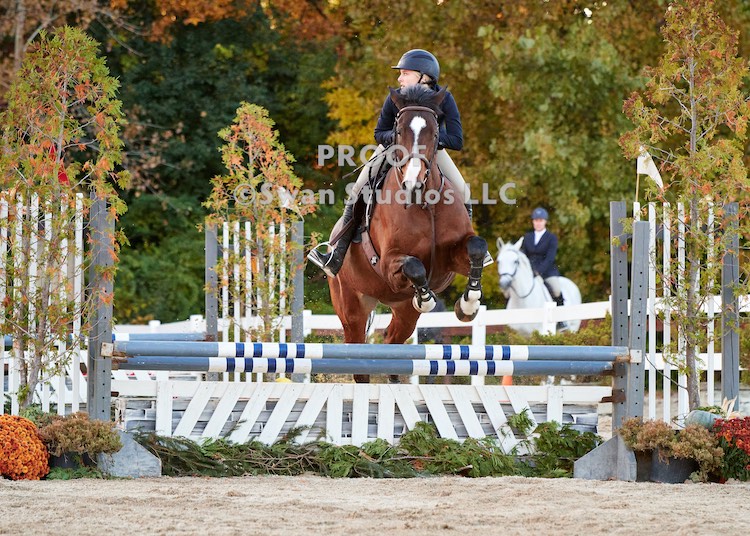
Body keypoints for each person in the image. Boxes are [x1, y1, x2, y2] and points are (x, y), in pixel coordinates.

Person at [308, 49, 471, 277]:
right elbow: (379, 132)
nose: (399, 78)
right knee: (358, 188)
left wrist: (427, 140)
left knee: (463, 190)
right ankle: (337, 254)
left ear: (424, 76)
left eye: (405, 73)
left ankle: (465, 247)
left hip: (429, 151)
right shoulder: (396, 97)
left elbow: (456, 139)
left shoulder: (444, 98)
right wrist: (399, 138)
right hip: (394, 148)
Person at [520, 207, 565, 309]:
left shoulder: (551, 237)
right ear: (533, 222)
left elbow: (550, 258)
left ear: (545, 221)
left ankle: (561, 314)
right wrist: (529, 270)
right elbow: (524, 255)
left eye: (540, 220)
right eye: (536, 220)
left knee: (556, 289)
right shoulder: (527, 237)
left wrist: (539, 271)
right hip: (530, 271)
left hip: (547, 271)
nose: (538, 223)